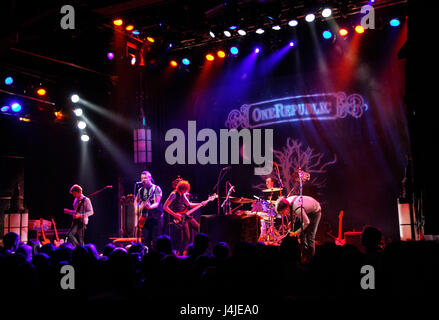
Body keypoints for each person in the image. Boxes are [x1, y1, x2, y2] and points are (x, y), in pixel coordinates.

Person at [163, 180, 206, 255]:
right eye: (185, 189)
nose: (186, 191)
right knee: (187, 238)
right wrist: (175, 215)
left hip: (186, 216)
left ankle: (200, 250)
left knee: (200, 229)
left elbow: (189, 204)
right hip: (180, 218)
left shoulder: (182, 194)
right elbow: (165, 207)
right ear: (182, 188)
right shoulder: (173, 194)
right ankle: (180, 254)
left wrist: (201, 203)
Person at [275, 195, 322, 263]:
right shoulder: (288, 202)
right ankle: (304, 256)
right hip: (306, 211)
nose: (282, 215)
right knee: (302, 236)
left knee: (310, 237)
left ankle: (311, 260)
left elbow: (307, 223)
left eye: (282, 212)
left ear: (286, 208)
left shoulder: (297, 208)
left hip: (315, 212)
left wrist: (296, 232)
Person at [134, 171, 163, 249]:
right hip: (144, 219)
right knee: (146, 240)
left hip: (155, 218)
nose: (143, 180)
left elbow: (157, 203)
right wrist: (137, 208)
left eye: (145, 178)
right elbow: (136, 201)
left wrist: (150, 207)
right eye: (142, 178)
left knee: (156, 240)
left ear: (150, 178)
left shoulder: (156, 188)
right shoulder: (140, 190)